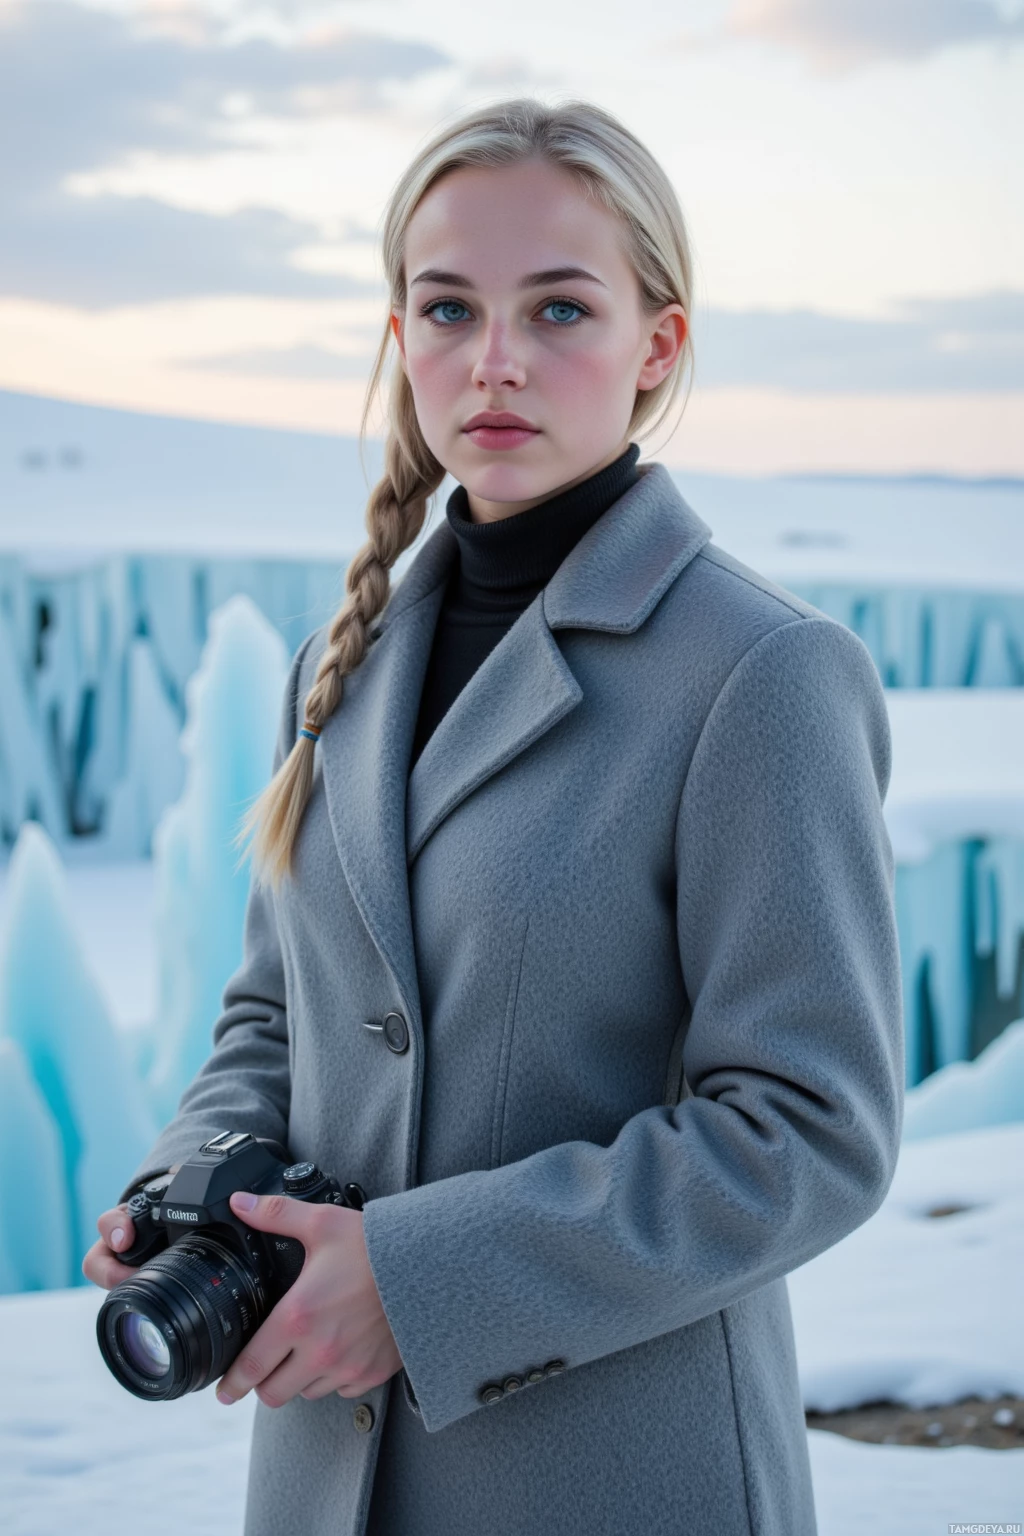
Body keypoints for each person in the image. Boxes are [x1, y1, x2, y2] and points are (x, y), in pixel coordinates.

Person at [83, 97, 904, 1536]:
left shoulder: (759, 676)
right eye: (449, 308)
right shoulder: (342, 668)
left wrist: (420, 1283)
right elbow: (277, 1016)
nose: (496, 363)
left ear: (659, 348)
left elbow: (808, 1130)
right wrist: (194, 1187)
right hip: (328, 1482)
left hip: (617, 1481)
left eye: (561, 309)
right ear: (399, 338)